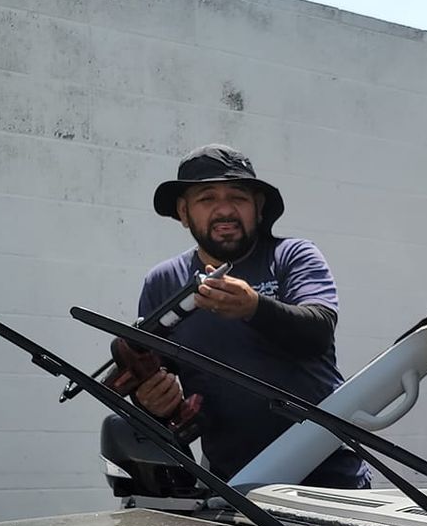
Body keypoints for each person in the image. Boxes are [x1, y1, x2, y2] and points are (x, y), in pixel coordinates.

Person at [125, 144, 366, 488]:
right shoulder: (163, 281)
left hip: (328, 474)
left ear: (259, 207)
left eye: (238, 197)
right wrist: (152, 400)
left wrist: (255, 307)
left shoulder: (292, 256)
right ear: (183, 212)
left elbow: (318, 331)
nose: (225, 210)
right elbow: (151, 372)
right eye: (207, 198)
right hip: (234, 486)